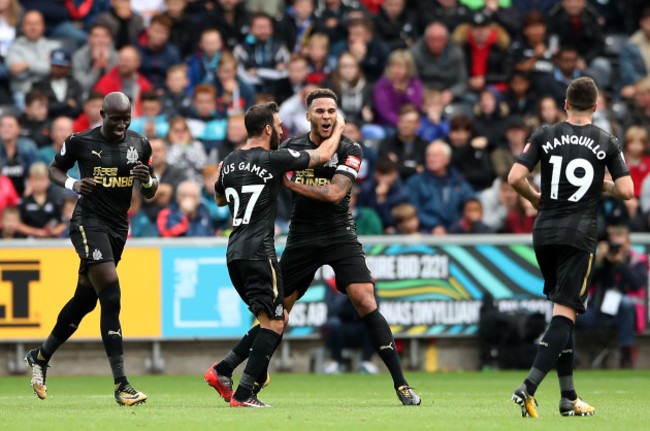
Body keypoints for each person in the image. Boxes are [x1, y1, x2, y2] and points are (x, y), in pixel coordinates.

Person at [280, 88, 420, 405]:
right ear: (308, 116)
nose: (326, 116)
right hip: (301, 235)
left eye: (331, 111)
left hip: (339, 233)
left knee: (365, 298)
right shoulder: (291, 147)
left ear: (337, 115)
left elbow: (334, 193)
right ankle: (248, 379)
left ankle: (402, 385)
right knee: (277, 311)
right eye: (320, 111)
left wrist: (293, 183)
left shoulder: (350, 147)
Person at [203, 101, 344, 407]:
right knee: (277, 322)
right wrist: (340, 128)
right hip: (259, 251)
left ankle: (223, 370)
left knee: (272, 320)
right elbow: (323, 155)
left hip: (234, 252)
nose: (282, 130)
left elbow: (217, 197)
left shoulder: (229, 161)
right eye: (279, 126)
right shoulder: (273, 158)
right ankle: (244, 394)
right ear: (267, 129)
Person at [508, 76, 634, 418]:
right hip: (578, 235)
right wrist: (602, 183)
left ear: (566, 104)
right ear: (596, 106)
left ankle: (568, 397)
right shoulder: (606, 140)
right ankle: (528, 387)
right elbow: (627, 190)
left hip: (544, 231)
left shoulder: (545, 134)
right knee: (566, 314)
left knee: (564, 310)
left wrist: (535, 197)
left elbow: (514, 178)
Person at [24, 92, 158, 406]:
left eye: (127, 118)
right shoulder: (80, 141)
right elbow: (53, 169)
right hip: (87, 222)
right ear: (102, 115)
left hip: (117, 229)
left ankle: (40, 356)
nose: (122, 125)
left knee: (85, 300)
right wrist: (72, 184)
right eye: (116, 119)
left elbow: (151, 191)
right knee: (110, 290)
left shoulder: (140, 144)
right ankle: (122, 384)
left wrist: (148, 181)